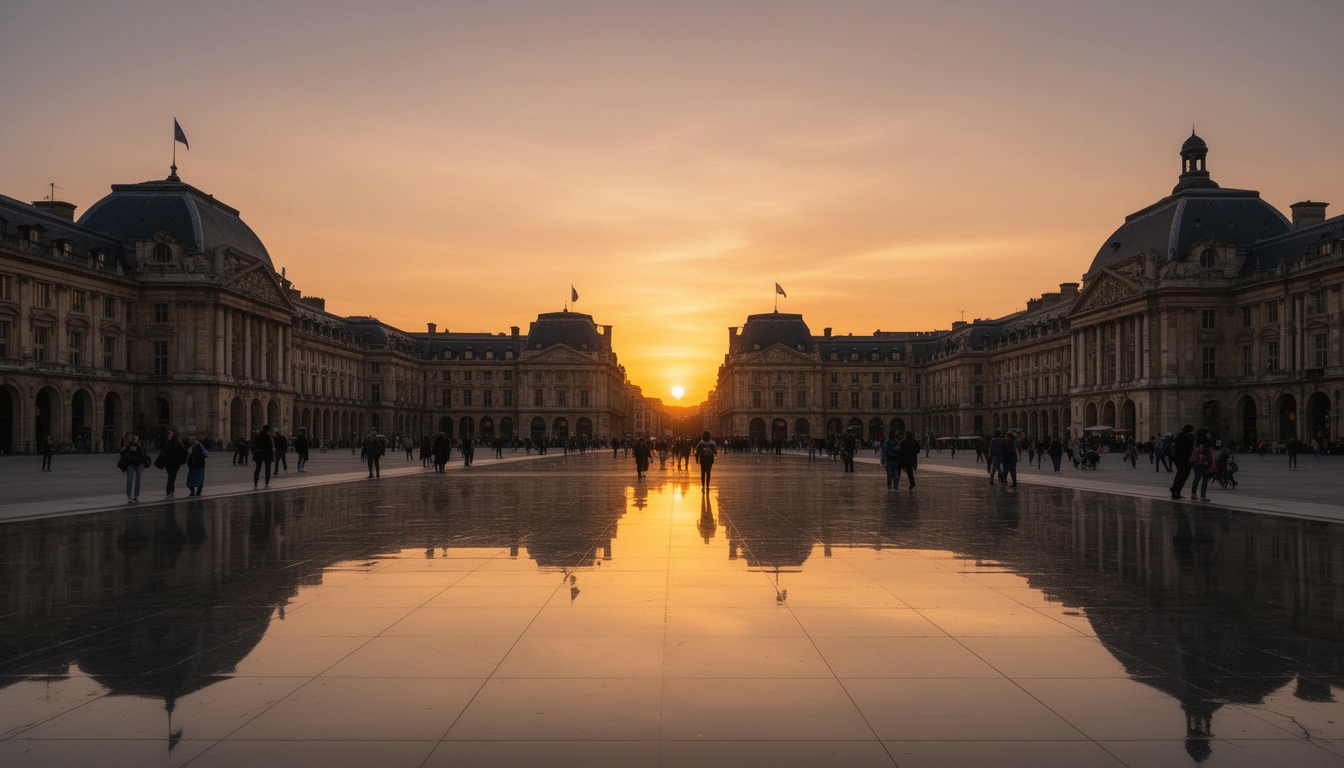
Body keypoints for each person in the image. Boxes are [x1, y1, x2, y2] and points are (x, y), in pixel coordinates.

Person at [119, 434, 149, 503]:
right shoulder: (129, 445)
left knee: (138, 480)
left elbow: (144, 454)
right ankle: (129, 496)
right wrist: (123, 448)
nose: (135, 440)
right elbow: (123, 453)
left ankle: (136, 496)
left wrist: (140, 446)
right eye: (134, 439)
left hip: (139, 464)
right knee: (129, 480)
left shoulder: (141, 446)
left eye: (136, 439)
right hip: (131, 464)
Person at [157, 431, 188, 497]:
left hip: (175, 463)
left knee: (172, 477)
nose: (169, 437)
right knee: (170, 477)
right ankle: (170, 491)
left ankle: (170, 491)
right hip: (168, 463)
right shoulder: (166, 443)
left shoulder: (177, 444)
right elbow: (162, 450)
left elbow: (183, 452)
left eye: (171, 436)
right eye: (169, 435)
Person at [1170, 424, 1195, 500]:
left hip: (1179, 458)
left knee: (1180, 475)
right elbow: (1188, 447)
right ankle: (1176, 490)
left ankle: (1176, 490)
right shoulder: (1185, 437)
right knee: (1182, 475)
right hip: (1184, 459)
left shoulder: (1180, 436)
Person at [1190, 429, 1214, 502]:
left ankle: (1198, 494)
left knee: (1200, 479)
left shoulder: (1198, 443)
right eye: (1208, 434)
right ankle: (1198, 495)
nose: (1209, 435)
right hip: (1201, 463)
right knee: (1201, 479)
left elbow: (1212, 455)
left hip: (1201, 463)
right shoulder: (1203, 443)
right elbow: (1211, 454)